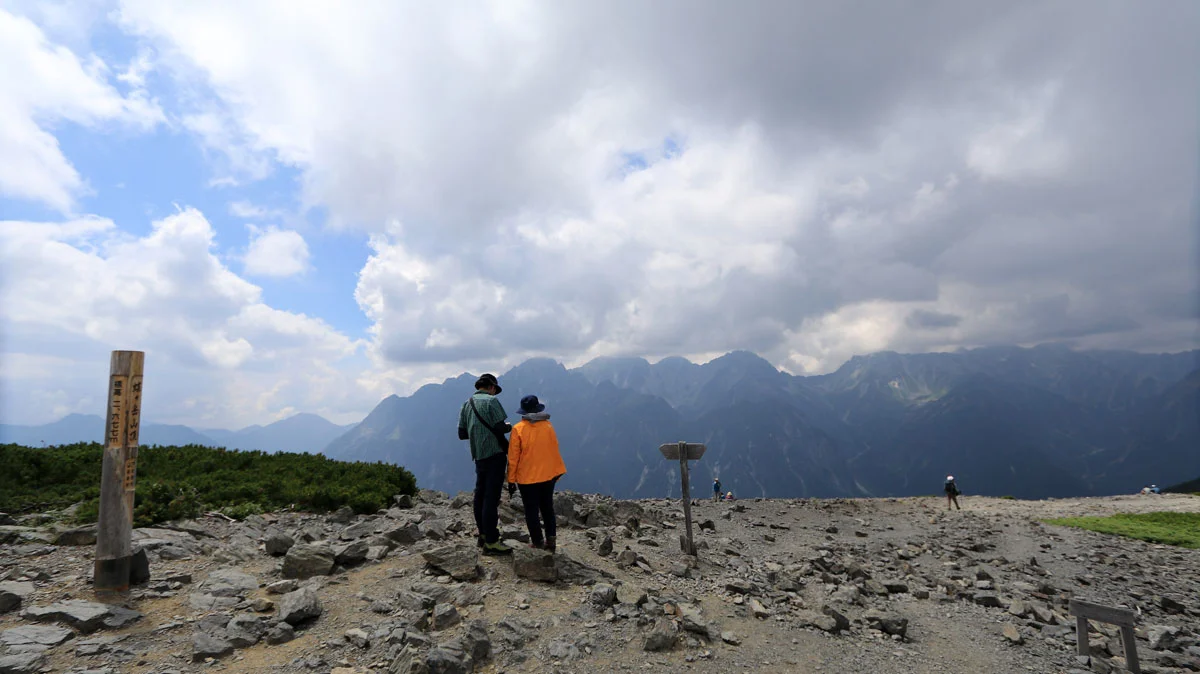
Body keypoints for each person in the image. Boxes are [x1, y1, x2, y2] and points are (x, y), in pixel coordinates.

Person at [458, 373, 512, 556]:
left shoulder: (466, 404)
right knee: (491, 497)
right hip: (495, 454)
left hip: (478, 456)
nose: (495, 392)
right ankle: (492, 541)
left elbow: (462, 433)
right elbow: (499, 427)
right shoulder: (491, 401)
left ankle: (482, 534)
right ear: (490, 387)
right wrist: (509, 427)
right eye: (495, 389)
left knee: (479, 495)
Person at [506, 395, 567, 552]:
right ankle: (551, 541)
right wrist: (556, 472)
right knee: (547, 507)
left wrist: (511, 480)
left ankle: (538, 542)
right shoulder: (548, 426)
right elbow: (554, 448)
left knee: (531, 510)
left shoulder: (518, 429)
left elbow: (513, 458)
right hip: (548, 475)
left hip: (527, 478)